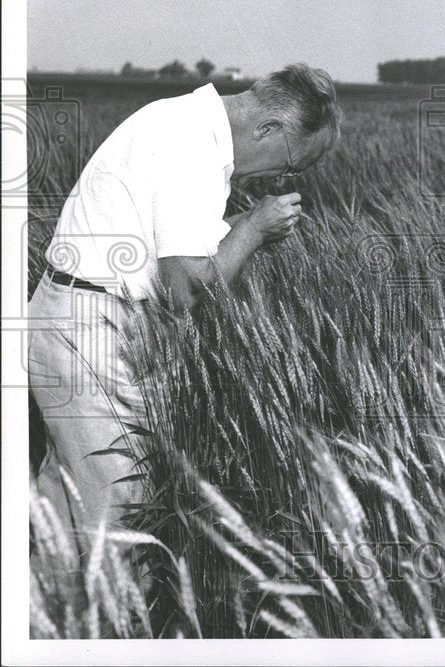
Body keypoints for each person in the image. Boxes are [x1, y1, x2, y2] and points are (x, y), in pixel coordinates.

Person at [28, 63, 340, 548]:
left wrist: (248, 226)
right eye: (294, 163)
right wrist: (255, 228)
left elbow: (185, 244)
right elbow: (184, 290)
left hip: (83, 320)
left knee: (70, 506)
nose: (284, 175)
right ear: (268, 128)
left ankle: (45, 614)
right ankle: (86, 621)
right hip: (90, 331)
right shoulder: (191, 145)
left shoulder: (187, 125)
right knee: (117, 514)